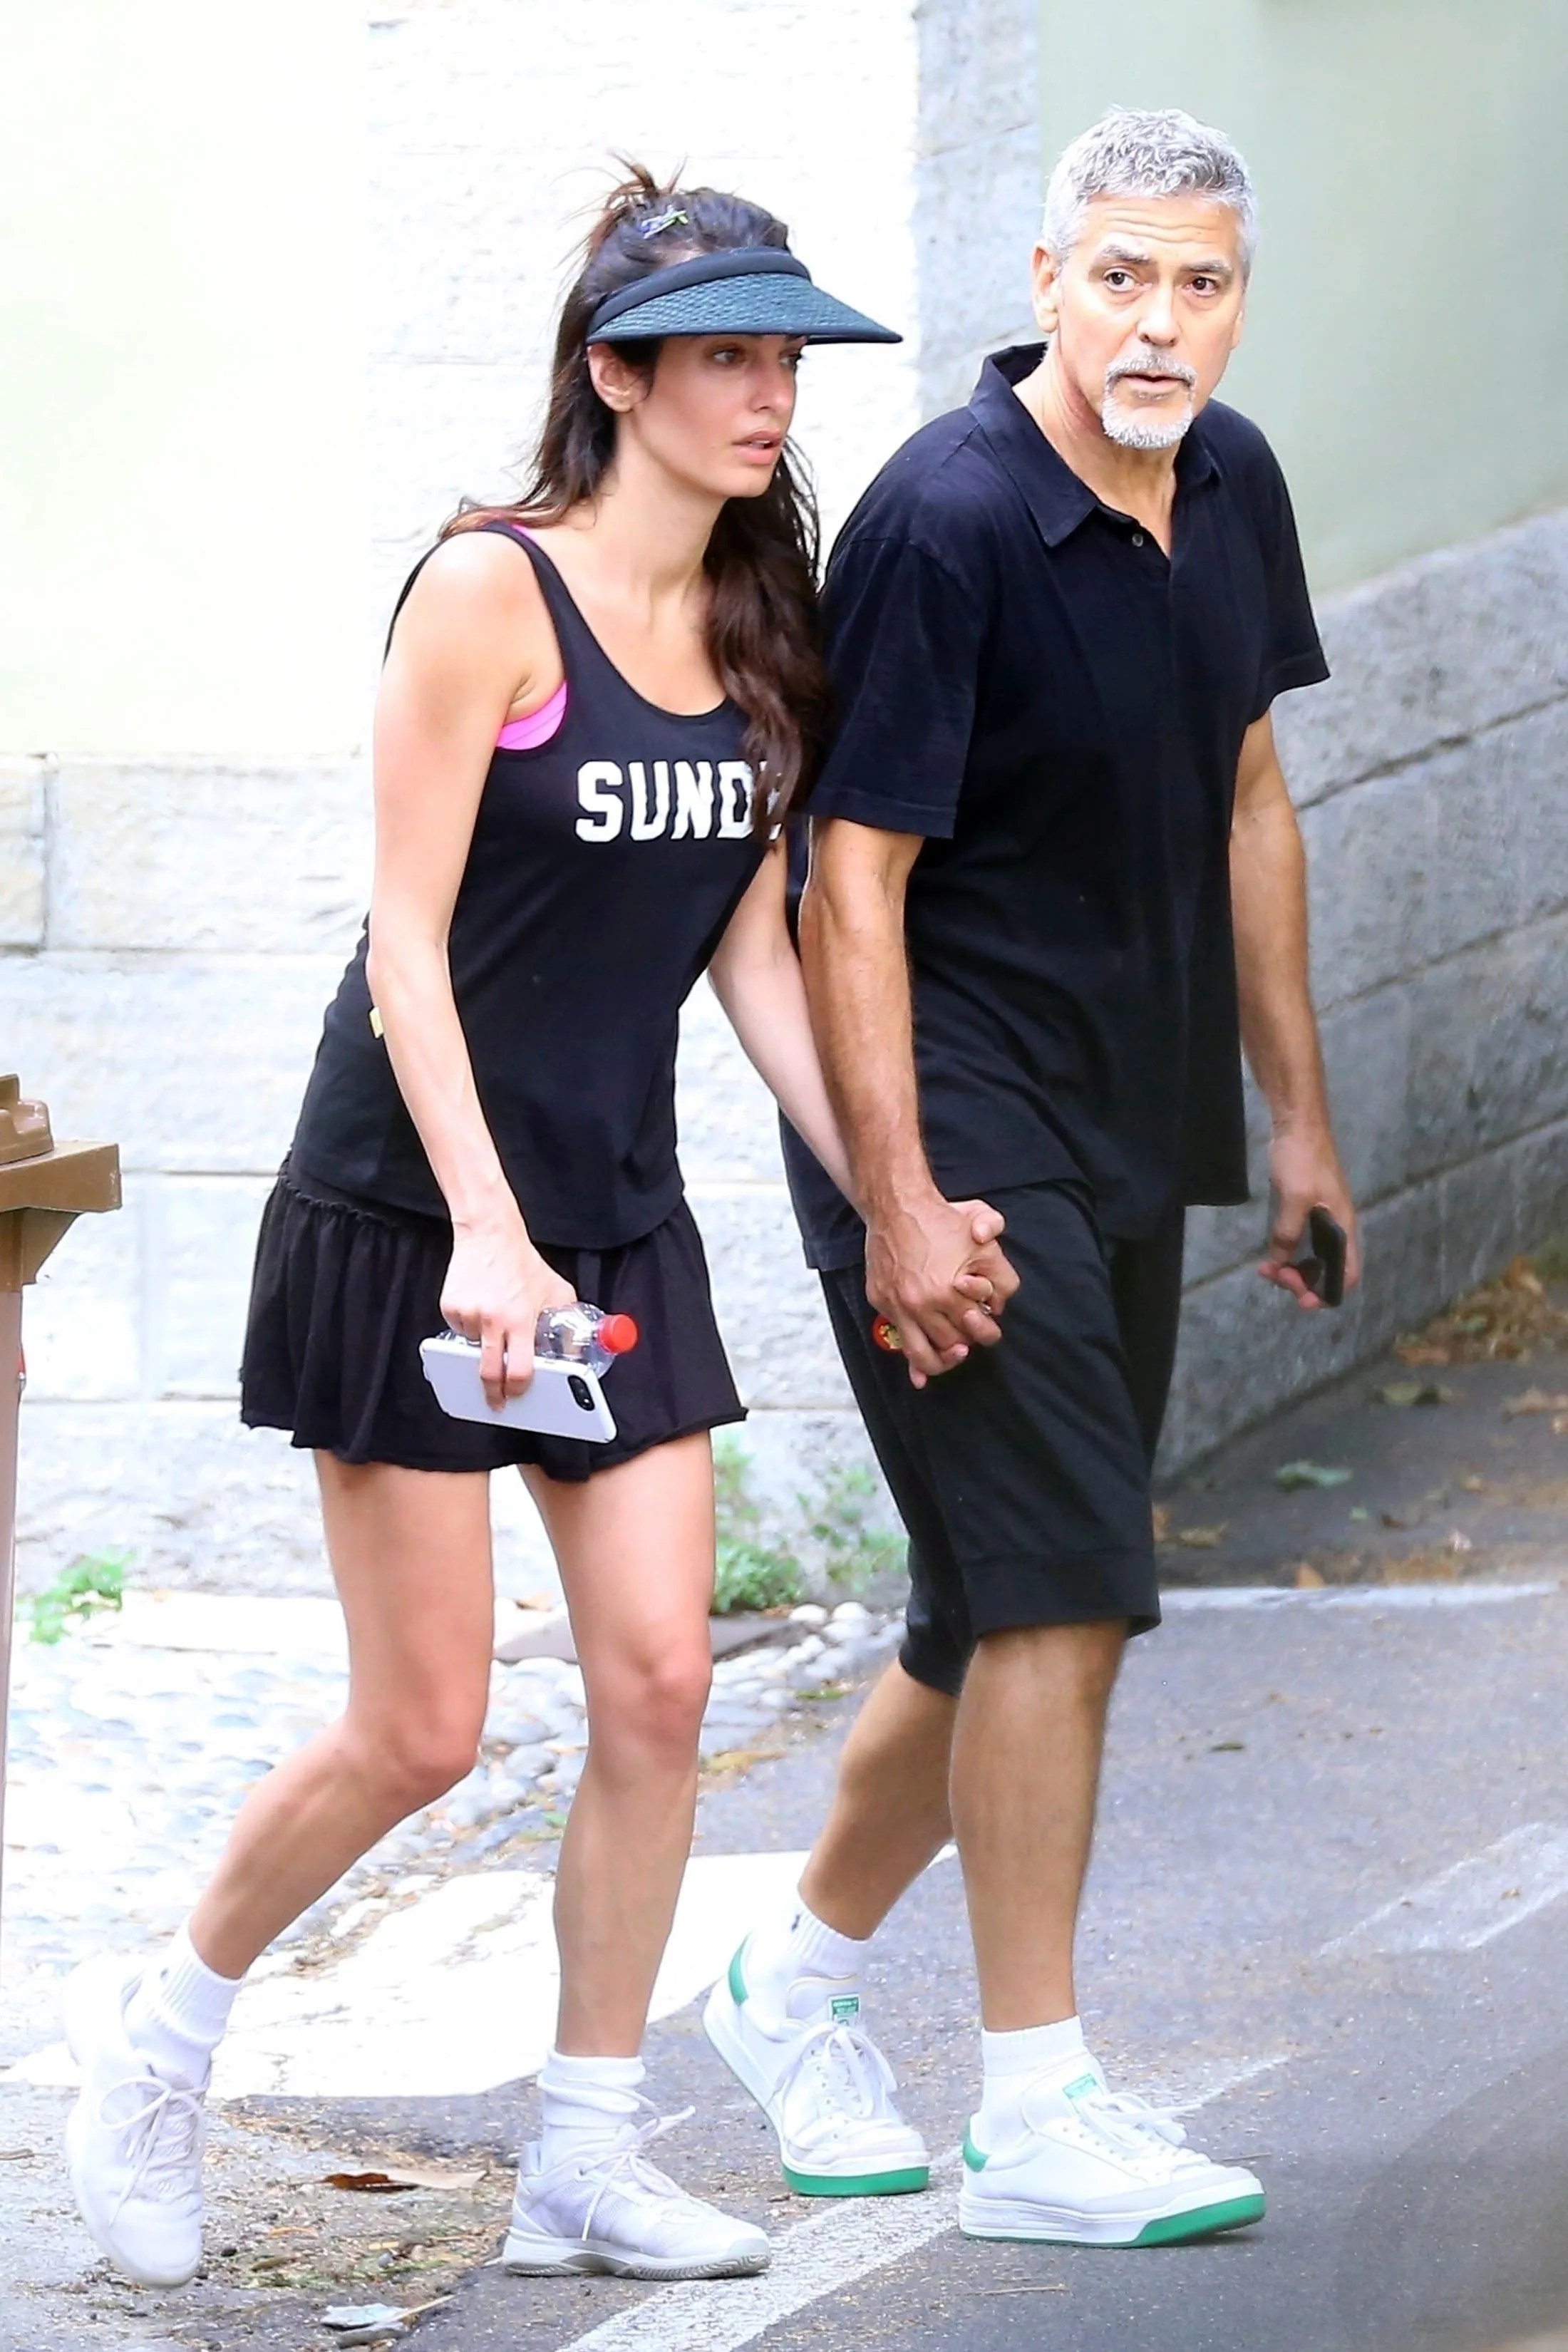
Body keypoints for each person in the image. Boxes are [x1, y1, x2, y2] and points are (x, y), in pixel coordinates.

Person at [61, 167, 1000, 2293]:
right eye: (726, 357)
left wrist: (895, 1186)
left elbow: (749, 948)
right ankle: (159, 2027)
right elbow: (403, 945)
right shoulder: (491, 592)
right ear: (617, 375)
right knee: (425, 1724)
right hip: (416, 1208)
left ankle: (586, 2153)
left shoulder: (762, 619)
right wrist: (485, 1235)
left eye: (785, 360)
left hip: (614, 1217)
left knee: (661, 1679)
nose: (769, 397)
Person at [706, 108, 1360, 2246]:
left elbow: (1253, 797)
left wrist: (1299, 1121)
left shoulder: (1233, 484)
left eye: (1201, 284)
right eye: (1122, 277)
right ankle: (1037, 2110)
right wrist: (894, 1199)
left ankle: (793, 1980)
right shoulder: (951, 517)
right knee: (1071, 1587)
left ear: (1239, 302)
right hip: (947, 1113)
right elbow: (852, 881)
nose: (1160, 322)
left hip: (1124, 1110)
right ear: (1049, 284)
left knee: (994, 1597)